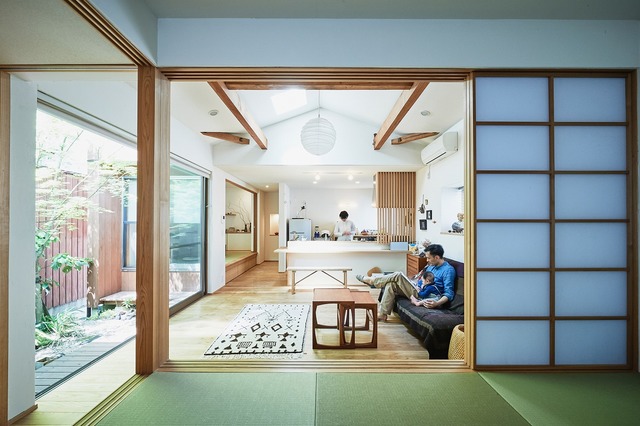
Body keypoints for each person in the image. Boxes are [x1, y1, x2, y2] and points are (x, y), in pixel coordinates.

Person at [356, 244, 456, 321]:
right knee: (391, 284)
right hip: (418, 289)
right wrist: (414, 283)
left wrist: (437, 303)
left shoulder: (448, 270)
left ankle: (373, 281)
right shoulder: (432, 266)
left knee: (398, 275)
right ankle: (382, 314)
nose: (427, 260)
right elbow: (421, 279)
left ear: (437, 257)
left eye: (428, 258)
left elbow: (449, 293)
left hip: (425, 295)